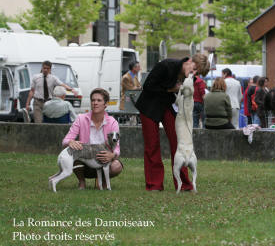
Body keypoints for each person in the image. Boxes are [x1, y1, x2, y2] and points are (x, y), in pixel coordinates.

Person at [135, 54, 209, 191]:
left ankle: (185, 184)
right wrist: (171, 89)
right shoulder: (166, 65)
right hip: (149, 107)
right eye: (195, 69)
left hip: (167, 106)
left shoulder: (189, 77)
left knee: (179, 142)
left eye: (198, 73)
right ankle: (154, 184)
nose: (195, 74)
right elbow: (148, 86)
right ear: (190, 61)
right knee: (152, 145)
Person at [62, 88, 123, 189]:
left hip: (103, 159)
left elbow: (117, 148)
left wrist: (112, 155)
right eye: (93, 100)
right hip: (85, 159)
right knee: (74, 155)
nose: (95, 103)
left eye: (99, 100)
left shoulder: (113, 122)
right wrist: (70, 142)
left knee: (116, 166)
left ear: (106, 104)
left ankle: (101, 181)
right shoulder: (81, 118)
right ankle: (82, 182)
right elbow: (65, 140)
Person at [192, 54, 210, 128]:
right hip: (200, 103)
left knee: (194, 120)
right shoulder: (200, 81)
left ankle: (194, 133)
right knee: (204, 119)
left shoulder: (191, 80)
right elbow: (203, 93)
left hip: (192, 102)